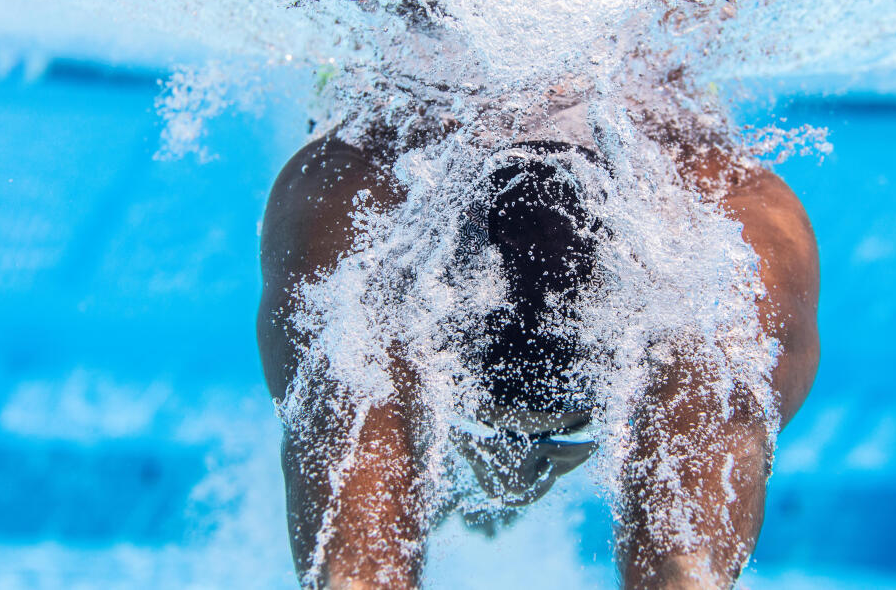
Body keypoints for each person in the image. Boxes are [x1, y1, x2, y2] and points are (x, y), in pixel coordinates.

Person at [256, 98, 820, 588]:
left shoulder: (362, 160)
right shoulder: (698, 163)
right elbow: (723, 405)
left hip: (418, 113)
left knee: (359, 379)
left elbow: (342, 399)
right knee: (706, 388)